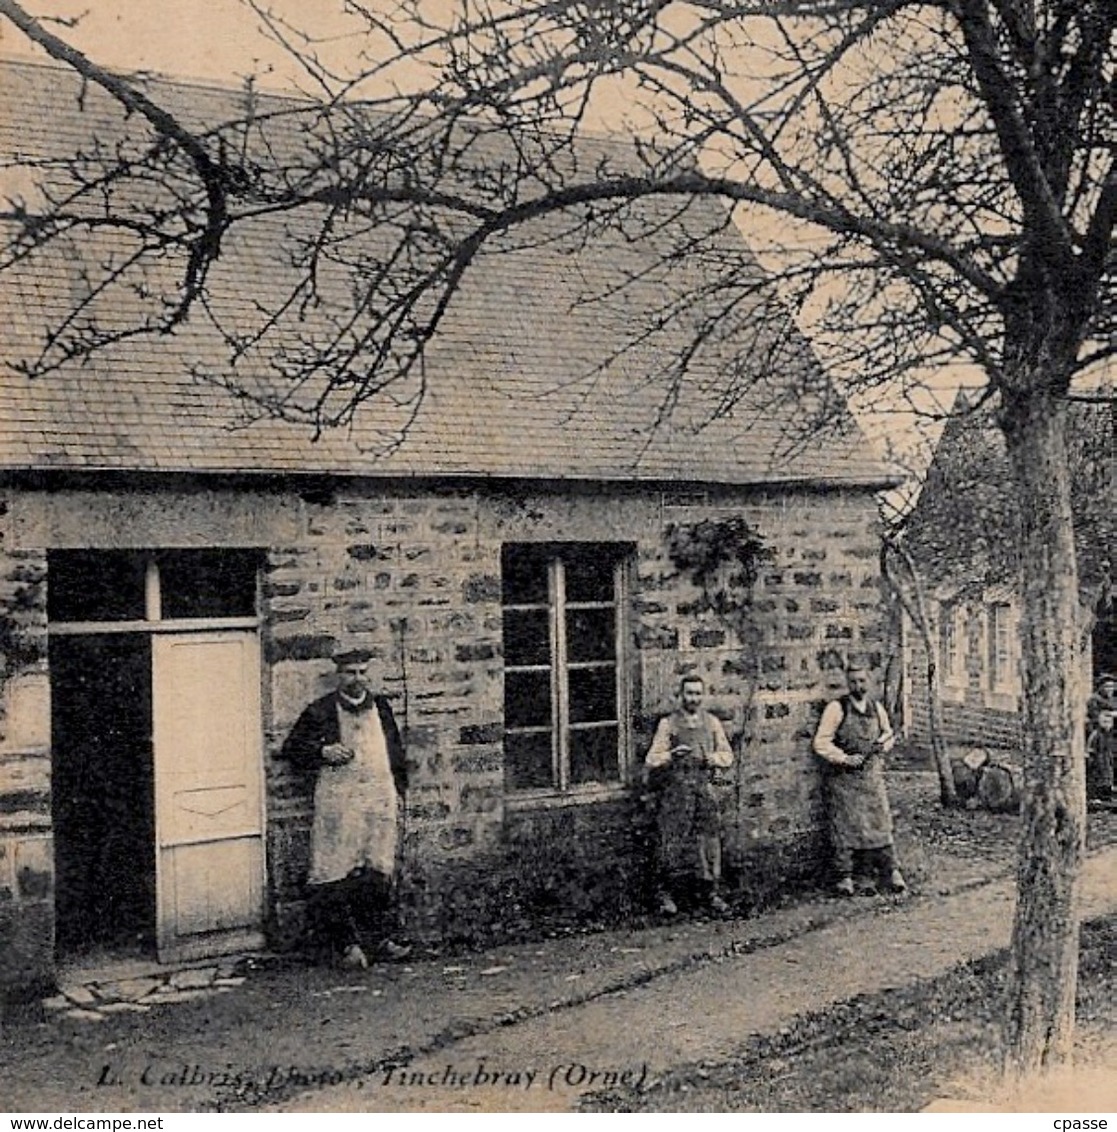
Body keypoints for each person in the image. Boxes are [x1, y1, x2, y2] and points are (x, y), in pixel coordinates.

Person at [280, 647, 409, 968]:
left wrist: (399, 791)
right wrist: (323, 751)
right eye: (351, 672)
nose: (358, 679)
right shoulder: (320, 711)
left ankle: (380, 940)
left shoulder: (381, 708)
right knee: (333, 872)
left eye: (363, 672)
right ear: (338, 675)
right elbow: (292, 749)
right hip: (339, 805)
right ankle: (346, 946)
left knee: (377, 870)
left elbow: (396, 752)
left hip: (378, 802)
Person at [812, 662, 907, 896]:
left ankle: (891, 872)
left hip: (871, 776)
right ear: (847, 683)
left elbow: (888, 733)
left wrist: (882, 745)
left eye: (862, 681)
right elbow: (821, 742)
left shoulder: (876, 707)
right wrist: (844, 758)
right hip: (844, 779)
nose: (858, 686)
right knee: (846, 826)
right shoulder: (837, 708)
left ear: (869, 682)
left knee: (880, 822)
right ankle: (846, 877)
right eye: (853, 681)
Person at [645, 675, 734, 916]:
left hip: (703, 786)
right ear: (680, 695)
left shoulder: (712, 722)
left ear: (702, 696)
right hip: (677, 789)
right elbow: (652, 759)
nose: (693, 698)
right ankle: (665, 895)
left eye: (697, 694)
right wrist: (672, 755)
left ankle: (710, 891)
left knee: (709, 839)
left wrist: (711, 759)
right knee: (670, 839)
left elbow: (727, 755)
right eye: (689, 693)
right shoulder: (669, 724)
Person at [1086, 673, 1116, 806]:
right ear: (1100, 687)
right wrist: (1109, 715)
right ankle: (1096, 793)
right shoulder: (1094, 699)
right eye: (1107, 686)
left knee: (1109, 761)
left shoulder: (1113, 700)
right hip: (1098, 733)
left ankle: (1107, 791)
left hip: (1110, 734)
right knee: (1098, 762)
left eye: (1112, 686)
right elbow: (1095, 716)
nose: (1110, 689)